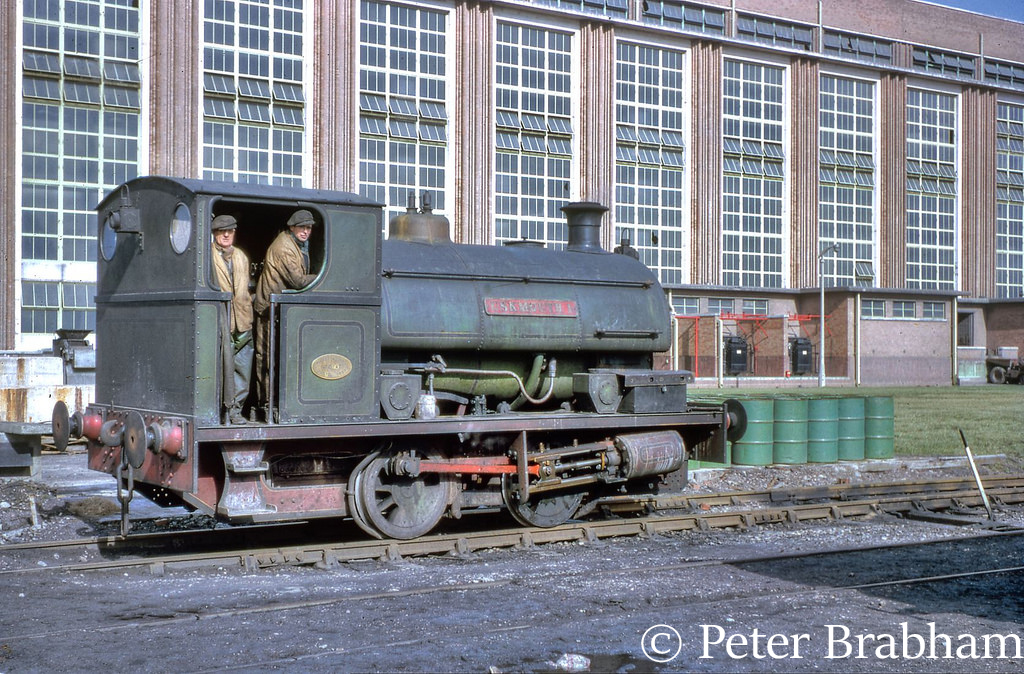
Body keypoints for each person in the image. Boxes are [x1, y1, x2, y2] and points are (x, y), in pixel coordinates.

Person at [252, 209, 319, 421]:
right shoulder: (284, 248)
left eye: (308, 228)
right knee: (269, 358)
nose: (306, 231)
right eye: (302, 227)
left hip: (278, 310)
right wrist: (323, 276)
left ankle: (269, 405)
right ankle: (267, 406)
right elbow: (298, 281)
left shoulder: (294, 245)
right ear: (292, 227)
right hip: (269, 311)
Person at [210, 214, 254, 425]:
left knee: (243, 368)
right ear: (214, 233)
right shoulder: (208, 257)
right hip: (221, 321)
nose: (226, 235)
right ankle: (220, 410)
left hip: (243, 320)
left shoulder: (241, 257)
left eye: (230, 231)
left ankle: (236, 411)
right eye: (221, 231)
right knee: (221, 370)